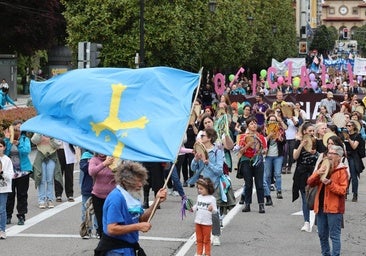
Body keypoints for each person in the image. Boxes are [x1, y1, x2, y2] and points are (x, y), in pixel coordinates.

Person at [94, 161, 167, 256]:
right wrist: (138, 227)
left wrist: (156, 202)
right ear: (125, 181)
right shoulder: (116, 198)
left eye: (141, 180)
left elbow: (141, 219)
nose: (140, 184)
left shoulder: (132, 196)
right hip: (115, 250)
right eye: (137, 181)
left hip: (129, 248)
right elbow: (111, 229)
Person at [307, 145, 348, 256]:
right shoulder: (323, 166)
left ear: (339, 157)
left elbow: (343, 191)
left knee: (334, 235)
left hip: (334, 208)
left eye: (332, 153)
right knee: (322, 234)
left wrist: (330, 184)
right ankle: (325, 254)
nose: (329, 155)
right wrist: (317, 174)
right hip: (320, 207)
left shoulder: (342, 171)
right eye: (328, 153)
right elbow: (310, 182)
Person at [189, 128, 227, 246]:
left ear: (209, 138)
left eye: (203, 136)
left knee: (214, 213)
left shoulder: (217, 151)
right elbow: (193, 168)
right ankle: (200, 236)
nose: (201, 138)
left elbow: (220, 171)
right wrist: (195, 160)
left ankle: (215, 235)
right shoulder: (200, 149)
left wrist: (207, 163)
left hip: (214, 185)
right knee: (200, 211)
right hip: (201, 184)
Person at [292, 122, 320, 232]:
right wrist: (301, 145)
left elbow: (323, 156)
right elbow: (295, 156)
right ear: (304, 132)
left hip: (314, 172)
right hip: (302, 173)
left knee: (317, 197)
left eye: (313, 131)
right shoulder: (298, 142)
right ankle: (306, 222)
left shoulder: (317, 142)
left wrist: (315, 153)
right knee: (305, 198)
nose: (312, 133)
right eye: (310, 131)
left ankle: (318, 223)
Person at [4, 121, 32, 226]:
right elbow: (4, 153)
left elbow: (26, 151)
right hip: (10, 172)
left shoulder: (25, 140)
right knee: (9, 195)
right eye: (15, 129)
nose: (17, 131)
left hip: (23, 172)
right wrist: (8, 141)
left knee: (22, 194)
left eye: (19, 129)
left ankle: (21, 215)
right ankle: (8, 215)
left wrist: (18, 144)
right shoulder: (8, 140)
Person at [237, 117, 267, 213]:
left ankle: (261, 205)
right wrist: (248, 144)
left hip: (258, 160)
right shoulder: (242, 137)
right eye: (251, 123)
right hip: (246, 160)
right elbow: (240, 152)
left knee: (259, 184)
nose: (254, 125)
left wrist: (260, 150)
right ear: (248, 125)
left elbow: (265, 150)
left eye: (255, 123)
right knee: (248, 184)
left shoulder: (261, 137)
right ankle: (247, 204)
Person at [31, 133, 62, 209]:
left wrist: (51, 137)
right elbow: (34, 141)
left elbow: (58, 144)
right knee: (41, 179)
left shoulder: (53, 131)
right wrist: (39, 134)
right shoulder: (38, 131)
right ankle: (41, 200)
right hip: (41, 157)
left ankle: (50, 199)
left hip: (52, 157)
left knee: (50, 180)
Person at [89, 153, 116, 238]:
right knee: (101, 222)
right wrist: (104, 164)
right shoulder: (94, 159)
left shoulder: (115, 159)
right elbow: (91, 172)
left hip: (112, 197)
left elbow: (123, 173)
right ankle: (102, 242)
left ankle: (112, 243)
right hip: (97, 196)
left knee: (112, 221)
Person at [263, 114, 286, 205]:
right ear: (268, 121)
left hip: (278, 155)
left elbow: (284, 141)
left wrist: (280, 139)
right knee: (268, 175)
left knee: (278, 174)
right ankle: (267, 193)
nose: (272, 122)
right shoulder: (265, 130)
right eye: (271, 120)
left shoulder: (280, 130)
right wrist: (269, 136)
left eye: (274, 120)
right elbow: (262, 141)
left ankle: (279, 190)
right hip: (268, 156)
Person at [192, 178, 217, 256]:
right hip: (198, 221)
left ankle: (207, 253)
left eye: (201, 189)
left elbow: (215, 211)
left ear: (208, 188)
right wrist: (191, 208)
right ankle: (199, 253)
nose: (199, 190)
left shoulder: (212, 199)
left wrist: (212, 209)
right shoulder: (199, 197)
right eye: (198, 188)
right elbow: (197, 205)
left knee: (206, 240)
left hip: (207, 223)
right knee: (199, 239)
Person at [341, 120, 363, 202]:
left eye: (349, 126)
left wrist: (348, 139)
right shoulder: (344, 135)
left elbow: (354, 147)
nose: (348, 127)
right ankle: (345, 192)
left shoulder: (357, 136)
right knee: (346, 176)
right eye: (347, 125)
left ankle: (355, 194)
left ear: (353, 127)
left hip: (354, 157)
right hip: (346, 157)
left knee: (353, 176)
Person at [80, 149, 98, 238]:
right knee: (85, 210)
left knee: (98, 210)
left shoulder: (103, 156)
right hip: (87, 187)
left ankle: (98, 230)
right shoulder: (86, 156)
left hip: (99, 187)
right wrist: (92, 162)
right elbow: (84, 168)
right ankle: (86, 230)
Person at [0, 139, 14, 239]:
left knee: (2, 209)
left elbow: (10, 175)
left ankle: (2, 230)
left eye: (0, 146)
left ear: (4, 147)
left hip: (3, 188)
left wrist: (2, 172)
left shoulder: (7, 159)